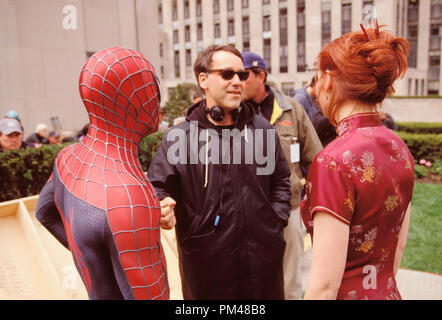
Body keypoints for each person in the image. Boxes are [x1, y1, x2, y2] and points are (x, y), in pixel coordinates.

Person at [147, 45, 291, 299]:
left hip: (263, 266)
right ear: (203, 79)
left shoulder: (262, 130)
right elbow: (157, 187)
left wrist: (275, 221)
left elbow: (280, 180)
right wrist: (162, 206)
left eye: (242, 75)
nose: (237, 81)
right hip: (207, 269)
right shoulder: (179, 138)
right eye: (227, 74)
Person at [35, 47, 169, 300]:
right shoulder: (131, 195)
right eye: (152, 87)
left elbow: (44, 214)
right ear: (134, 96)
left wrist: (90, 252)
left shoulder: (67, 157)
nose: (156, 98)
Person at [300, 24, 414, 300]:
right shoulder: (400, 148)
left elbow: (325, 287)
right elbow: (397, 249)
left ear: (327, 80)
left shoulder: (333, 162)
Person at [241, 51, 322, 300]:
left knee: (291, 278)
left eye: (243, 75)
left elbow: (316, 158)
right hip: (246, 211)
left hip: (290, 208)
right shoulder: (233, 113)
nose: (236, 81)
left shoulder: (292, 110)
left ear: (261, 76)